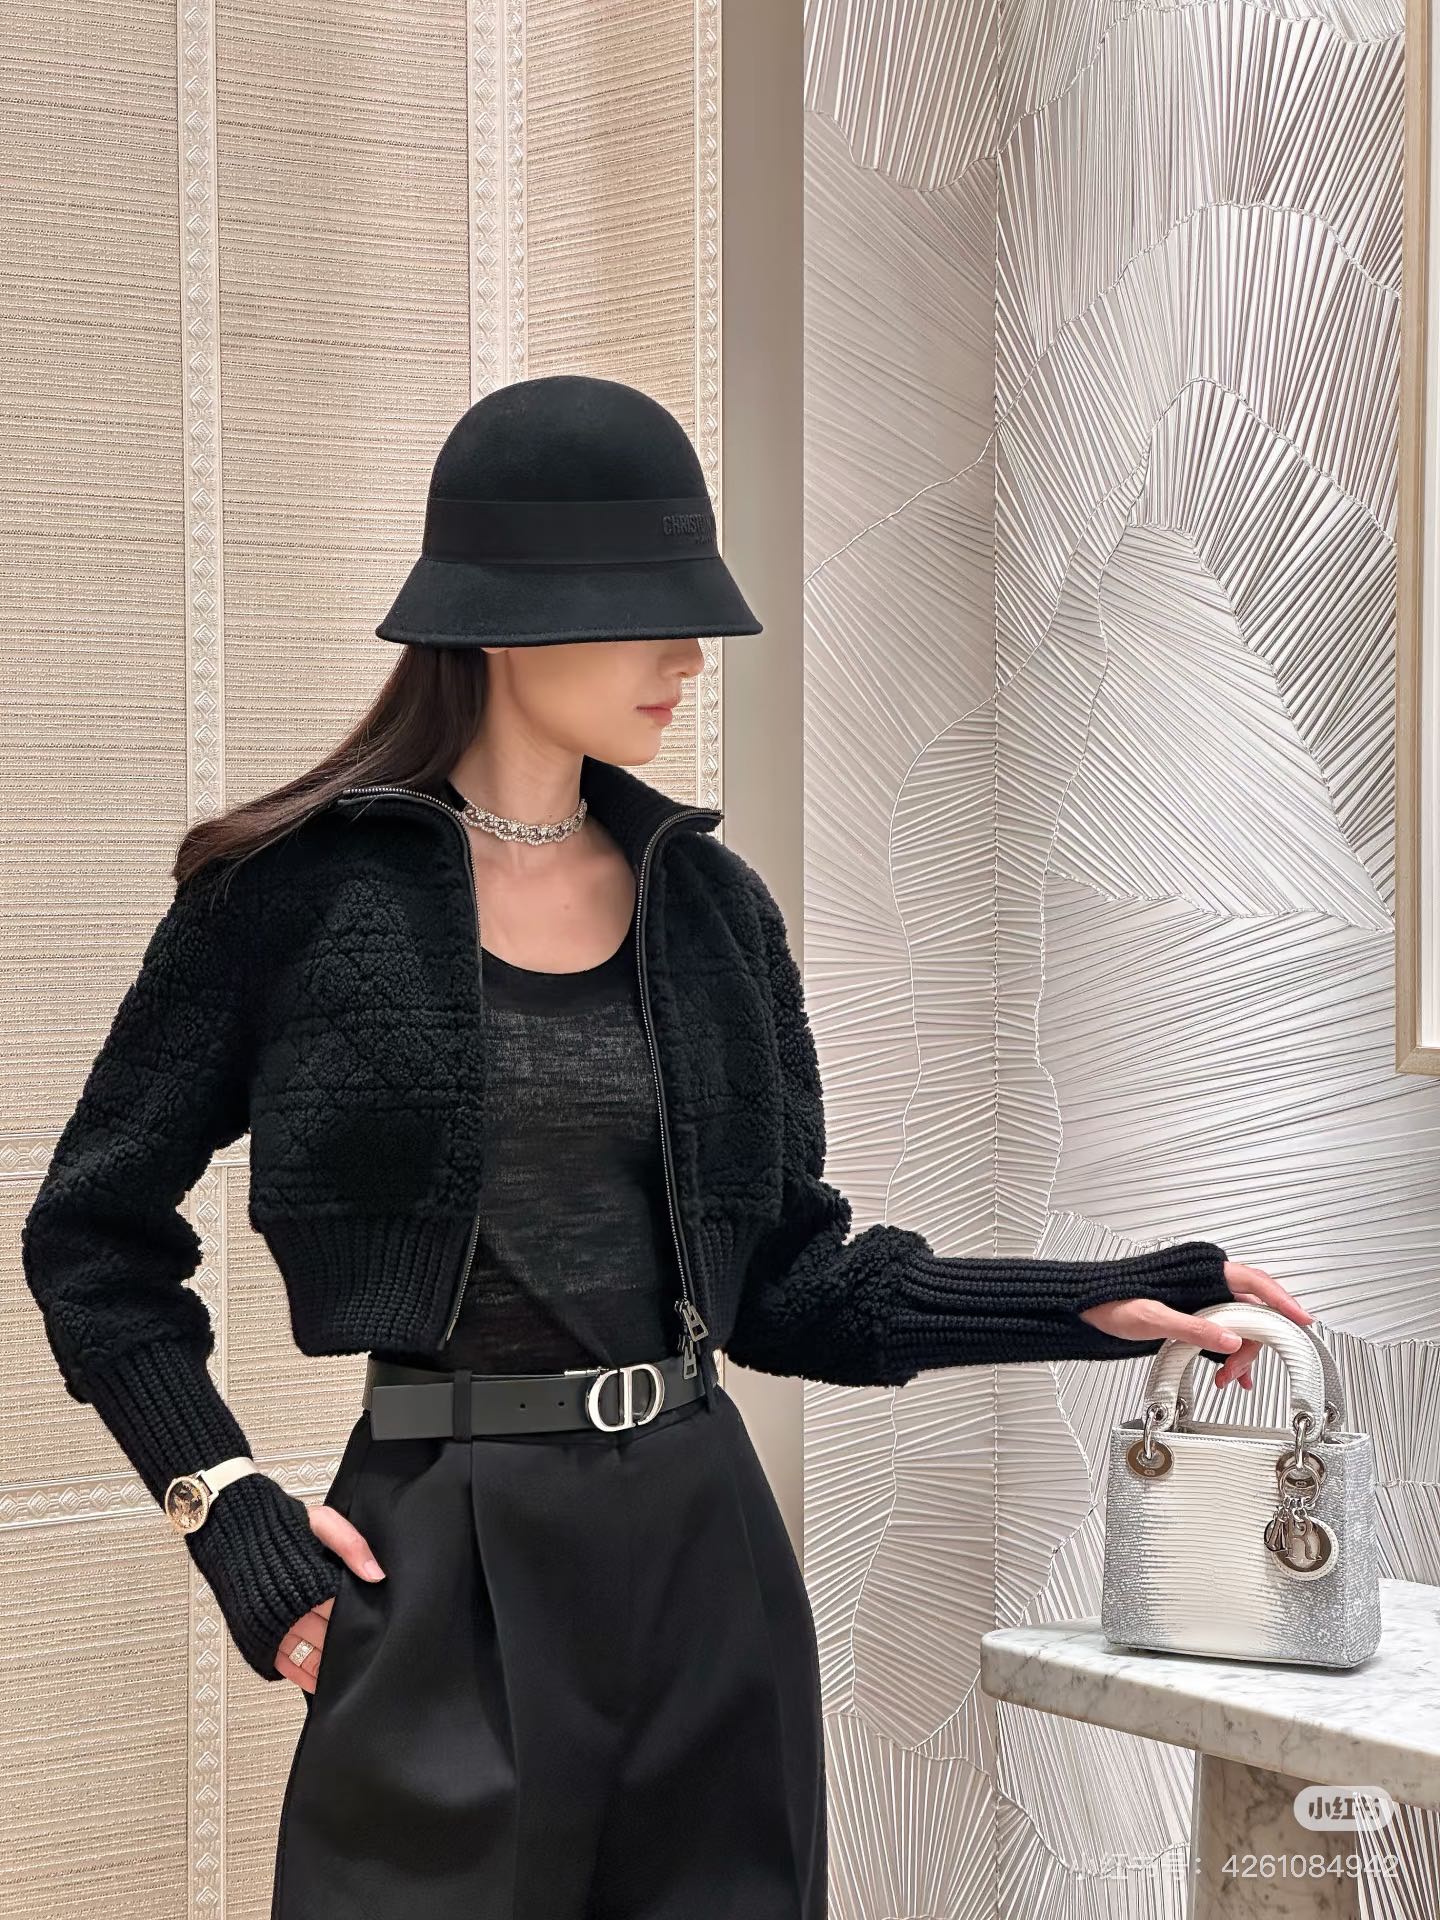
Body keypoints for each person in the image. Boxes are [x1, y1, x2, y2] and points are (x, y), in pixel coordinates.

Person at [21, 374, 1310, 1920]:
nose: (689, 659)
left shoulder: (714, 911)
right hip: (437, 1560)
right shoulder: (288, 898)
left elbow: (788, 1284)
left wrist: (1088, 1302)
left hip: (706, 1562)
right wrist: (229, 1512)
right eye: (650, 614)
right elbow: (90, 1239)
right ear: (506, 622)